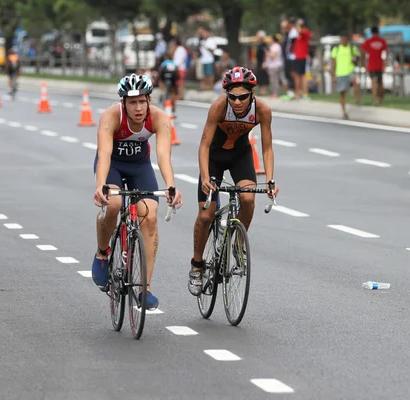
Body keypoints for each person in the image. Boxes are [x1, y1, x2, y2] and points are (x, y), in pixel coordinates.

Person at [92, 73, 183, 310]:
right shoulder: (111, 116)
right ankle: (103, 253)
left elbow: (163, 155)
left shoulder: (160, 118)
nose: (138, 107)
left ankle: (145, 288)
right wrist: (101, 185)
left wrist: (171, 185)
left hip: (140, 166)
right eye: (132, 102)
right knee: (112, 205)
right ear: (123, 103)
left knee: (150, 216)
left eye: (142, 101)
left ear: (149, 100)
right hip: (112, 164)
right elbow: (103, 154)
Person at [187, 66, 279, 296]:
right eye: (233, 97)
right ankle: (197, 266)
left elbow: (267, 148)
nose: (237, 102)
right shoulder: (219, 107)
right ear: (226, 95)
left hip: (240, 155)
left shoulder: (262, 111)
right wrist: (206, 177)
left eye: (243, 97)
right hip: (214, 158)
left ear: (252, 94)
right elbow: (204, 145)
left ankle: (238, 242)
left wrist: (270, 179)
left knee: (248, 199)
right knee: (207, 214)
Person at [362, 26, 387, 104]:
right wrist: (385, 64)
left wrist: (363, 63)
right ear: (378, 32)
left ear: (371, 32)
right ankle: (381, 100)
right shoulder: (382, 41)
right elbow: (385, 53)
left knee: (373, 82)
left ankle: (375, 99)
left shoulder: (368, 41)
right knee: (380, 83)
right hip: (380, 64)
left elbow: (363, 53)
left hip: (371, 64)